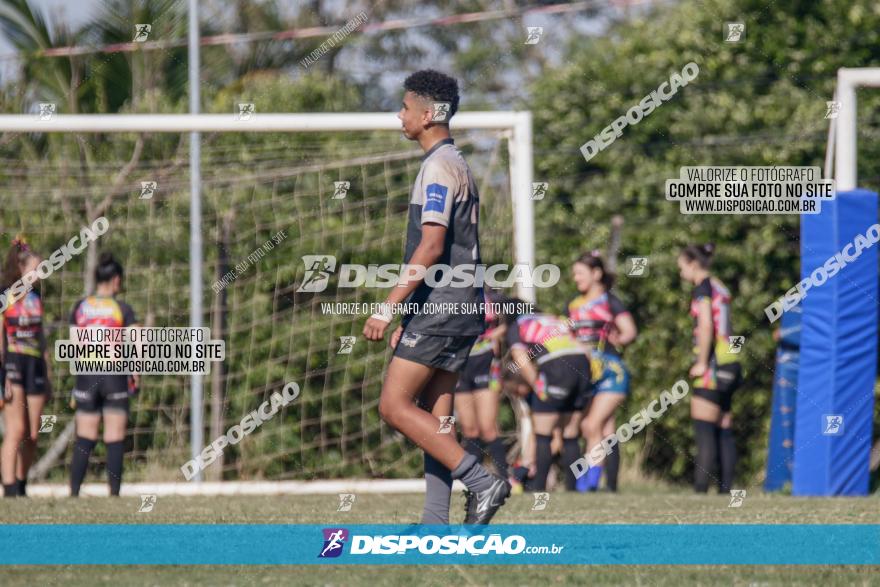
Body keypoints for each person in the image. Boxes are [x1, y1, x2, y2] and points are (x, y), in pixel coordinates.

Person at [363, 69, 510, 525]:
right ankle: (434, 519)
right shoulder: (457, 162)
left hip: (444, 305)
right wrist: (411, 314)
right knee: (437, 416)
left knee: (394, 405)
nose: (399, 115)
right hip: (458, 304)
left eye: (405, 107)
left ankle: (484, 482)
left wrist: (388, 307)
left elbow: (431, 245)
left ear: (427, 115)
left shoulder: (438, 167)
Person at [69, 253, 139, 497]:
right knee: (114, 435)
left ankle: (74, 493)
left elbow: (74, 345)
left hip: (87, 375)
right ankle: (114, 494)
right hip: (114, 375)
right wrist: (135, 371)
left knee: (85, 435)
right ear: (116, 280)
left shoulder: (81, 307)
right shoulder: (122, 309)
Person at [567, 252, 637, 492]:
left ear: (596, 274)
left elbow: (629, 330)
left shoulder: (610, 300)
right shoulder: (574, 304)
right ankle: (608, 485)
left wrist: (620, 338)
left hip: (611, 371)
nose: (575, 278)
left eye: (579, 273)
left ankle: (589, 483)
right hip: (586, 373)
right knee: (604, 429)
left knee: (591, 424)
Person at [503, 307, 592, 491]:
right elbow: (583, 345)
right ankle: (572, 489)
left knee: (543, 435)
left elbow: (519, 358)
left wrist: (537, 384)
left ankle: (538, 489)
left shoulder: (516, 324)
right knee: (571, 434)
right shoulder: (553, 317)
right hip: (583, 362)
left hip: (557, 364)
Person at [677, 243, 742, 493]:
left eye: (682, 267)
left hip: (714, 363)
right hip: (732, 362)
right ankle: (726, 491)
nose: (681, 273)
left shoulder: (702, 288)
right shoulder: (719, 285)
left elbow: (706, 326)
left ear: (693, 263)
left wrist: (701, 362)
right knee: (724, 426)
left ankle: (701, 491)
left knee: (704, 428)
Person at [0, 237, 52, 497]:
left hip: (35, 365)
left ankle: (21, 485)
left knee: (32, 433)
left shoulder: (35, 296)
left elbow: (41, 335)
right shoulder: (5, 295)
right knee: (16, 429)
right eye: (36, 267)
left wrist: (48, 368)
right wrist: (2, 372)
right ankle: (8, 489)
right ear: (21, 267)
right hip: (12, 363)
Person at [455, 289, 508, 480]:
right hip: (460, 365)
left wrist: (497, 333)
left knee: (488, 428)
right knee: (469, 429)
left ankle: (505, 479)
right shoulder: (447, 296)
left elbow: (517, 317)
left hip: (486, 364)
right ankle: (474, 481)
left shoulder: (491, 297)